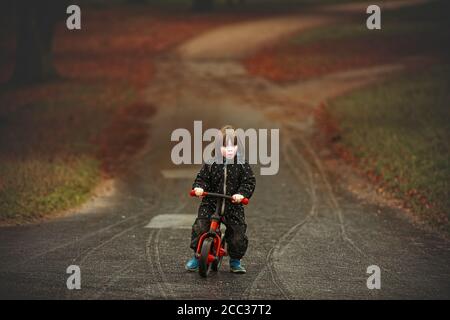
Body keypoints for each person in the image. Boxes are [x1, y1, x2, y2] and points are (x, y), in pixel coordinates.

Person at [186, 125, 256, 274]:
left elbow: (248, 182)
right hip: (211, 203)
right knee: (201, 226)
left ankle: (235, 260)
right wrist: (199, 188)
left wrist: (241, 194)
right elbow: (202, 179)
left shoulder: (242, 164)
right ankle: (197, 256)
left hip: (233, 205)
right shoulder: (211, 163)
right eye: (225, 146)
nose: (230, 149)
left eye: (233, 146)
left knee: (238, 233)